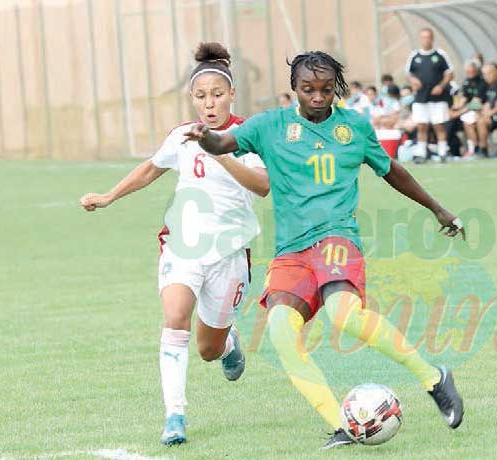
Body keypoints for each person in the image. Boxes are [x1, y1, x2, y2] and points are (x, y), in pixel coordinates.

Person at [182, 51, 466, 449]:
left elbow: (393, 172)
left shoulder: (354, 127)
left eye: (326, 89)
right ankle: (344, 425)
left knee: (344, 316)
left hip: (336, 237)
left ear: (336, 89)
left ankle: (434, 378)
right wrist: (205, 138)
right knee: (281, 333)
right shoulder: (270, 125)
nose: (317, 97)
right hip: (291, 251)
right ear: (293, 89)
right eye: (307, 89)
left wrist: (438, 209)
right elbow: (222, 141)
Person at [77, 43, 270, 446]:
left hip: (230, 254)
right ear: (192, 99)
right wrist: (109, 196)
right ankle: (175, 416)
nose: (209, 103)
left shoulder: (248, 135)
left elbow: (263, 186)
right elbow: (150, 169)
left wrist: (219, 152)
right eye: (201, 96)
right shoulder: (182, 135)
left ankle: (228, 338)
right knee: (175, 318)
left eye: (217, 95)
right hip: (182, 245)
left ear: (231, 94)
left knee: (207, 349)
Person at [406, 27, 454, 161]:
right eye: (423, 37)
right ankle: (421, 153)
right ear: (420, 39)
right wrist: (413, 80)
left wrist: (441, 86)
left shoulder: (440, 55)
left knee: (439, 125)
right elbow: (408, 74)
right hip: (421, 98)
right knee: (422, 126)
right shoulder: (415, 56)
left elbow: (449, 73)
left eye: (428, 37)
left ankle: (443, 152)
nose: (426, 40)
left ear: (432, 38)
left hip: (438, 99)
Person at [452, 59, 488, 157]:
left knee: (474, 121)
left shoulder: (482, 82)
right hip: (470, 111)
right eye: (467, 71)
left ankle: (482, 148)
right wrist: (455, 108)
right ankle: (474, 148)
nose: (469, 73)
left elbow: (476, 103)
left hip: (482, 110)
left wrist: (461, 111)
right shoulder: (467, 82)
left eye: (471, 71)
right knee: (466, 121)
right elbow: (464, 98)